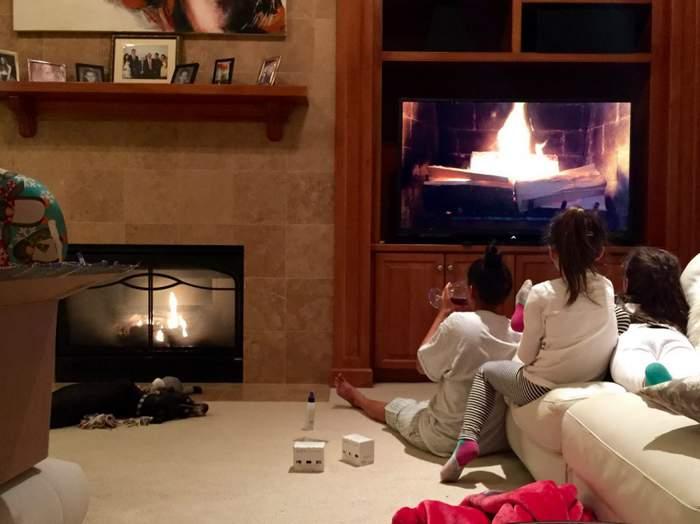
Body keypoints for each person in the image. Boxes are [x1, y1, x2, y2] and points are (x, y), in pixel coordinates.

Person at [441, 207, 618, 482]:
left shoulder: (542, 293)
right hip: (591, 376)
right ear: (599, 252)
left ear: (552, 252)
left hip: (540, 385)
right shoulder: (607, 287)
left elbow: (525, 356)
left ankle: (467, 439)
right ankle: (521, 314)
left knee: (486, 372)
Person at [335, 245, 522, 458]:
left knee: (399, 407)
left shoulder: (459, 323)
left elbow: (421, 364)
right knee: (424, 405)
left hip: (446, 438)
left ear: (471, 291)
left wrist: (443, 312)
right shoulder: (517, 334)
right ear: (506, 294)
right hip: (494, 440)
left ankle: (358, 399)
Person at [611, 247, 700, 392]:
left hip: (634, 336)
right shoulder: (679, 311)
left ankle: (650, 384)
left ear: (626, 283)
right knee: (687, 369)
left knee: (633, 366)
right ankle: (685, 386)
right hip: (674, 336)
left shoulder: (620, 307)